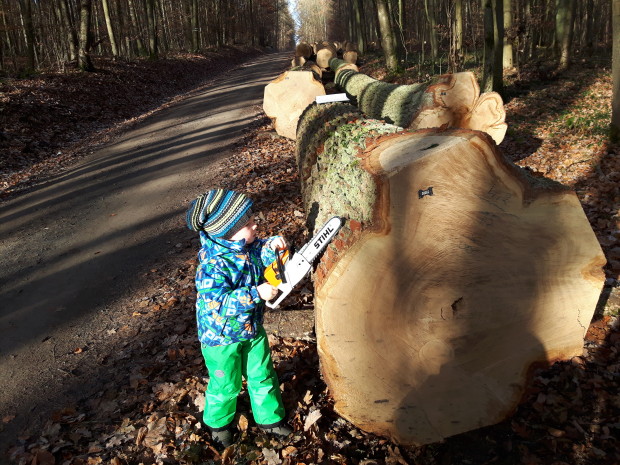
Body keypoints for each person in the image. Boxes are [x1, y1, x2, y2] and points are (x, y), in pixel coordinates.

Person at [185, 189, 293, 449]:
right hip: (221, 339)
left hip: (252, 330)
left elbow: (260, 250)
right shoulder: (212, 265)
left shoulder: (246, 246)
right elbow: (218, 303)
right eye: (247, 223)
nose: (255, 224)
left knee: (262, 374)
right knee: (225, 384)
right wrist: (256, 293)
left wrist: (273, 246)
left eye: (252, 219)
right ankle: (219, 425)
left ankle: (270, 419)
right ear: (227, 232)